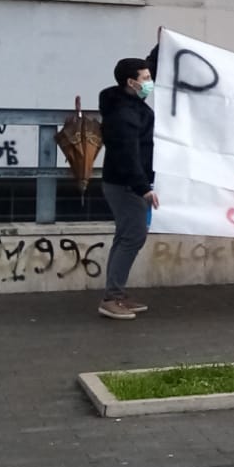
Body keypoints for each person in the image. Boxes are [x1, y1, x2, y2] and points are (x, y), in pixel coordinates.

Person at [98, 53, 158, 321]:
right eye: (145, 78)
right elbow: (128, 154)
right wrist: (143, 186)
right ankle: (111, 298)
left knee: (126, 236)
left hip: (124, 183)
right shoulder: (125, 114)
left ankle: (117, 294)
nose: (150, 81)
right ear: (131, 82)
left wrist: (160, 47)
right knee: (133, 236)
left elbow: (148, 65)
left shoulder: (127, 102)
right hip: (126, 185)